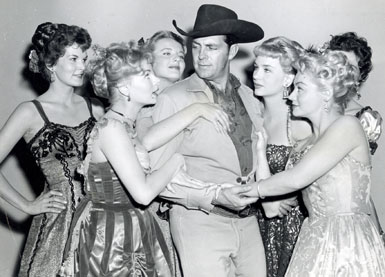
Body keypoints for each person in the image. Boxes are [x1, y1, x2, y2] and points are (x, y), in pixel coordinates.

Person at [60, 41, 230, 276]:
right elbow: (143, 193)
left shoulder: (125, 125)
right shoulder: (112, 128)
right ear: (125, 88)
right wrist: (177, 161)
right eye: (147, 75)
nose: (156, 81)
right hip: (111, 236)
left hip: (131, 226)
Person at [240, 50, 385, 276]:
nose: (291, 96)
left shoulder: (348, 126)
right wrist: (260, 152)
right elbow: (271, 207)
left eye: (300, 88)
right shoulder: (305, 143)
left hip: (347, 243)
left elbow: (295, 179)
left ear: (325, 93)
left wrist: (242, 191)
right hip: (314, 238)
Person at [150, 4, 266, 276]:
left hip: (249, 222)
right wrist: (212, 196)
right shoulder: (174, 98)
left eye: (211, 48)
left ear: (232, 51)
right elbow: (154, 177)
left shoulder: (250, 97)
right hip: (199, 223)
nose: (201, 56)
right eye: (196, 47)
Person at [0, 22, 103, 277]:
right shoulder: (29, 112)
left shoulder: (97, 108)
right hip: (57, 226)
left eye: (84, 58)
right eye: (74, 59)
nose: (82, 66)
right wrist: (26, 205)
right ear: (50, 64)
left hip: (101, 220)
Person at [252, 36, 311, 277]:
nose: (256, 75)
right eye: (256, 67)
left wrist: (295, 196)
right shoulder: (252, 111)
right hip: (254, 222)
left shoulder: (297, 121)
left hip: (290, 227)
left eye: (267, 69)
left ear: (288, 78)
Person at [324, 32, 384, 241]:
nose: (342, 72)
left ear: (361, 76)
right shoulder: (304, 108)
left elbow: (357, 184)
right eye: (337, 63)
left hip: (340, 215)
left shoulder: (365, 119)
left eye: (351, 67)